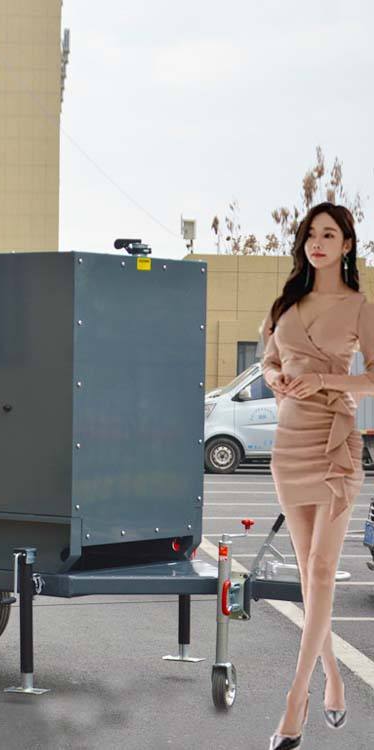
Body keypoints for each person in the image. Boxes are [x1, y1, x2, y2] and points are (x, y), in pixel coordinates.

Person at [259, 201, 372, 750]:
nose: (317, 243)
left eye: (329, 235)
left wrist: (327, 382)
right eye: (311, 235)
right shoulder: (286, 303)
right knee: (309, 576)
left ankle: (295, 698)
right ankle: (332, 677)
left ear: (347, 246)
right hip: (290, 441)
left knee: (323, 570)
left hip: (334, 443)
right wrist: (276, 378)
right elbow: (268, 360)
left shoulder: (359, 307)